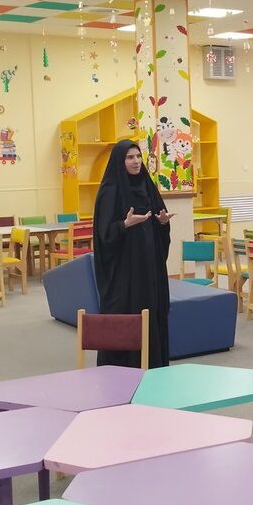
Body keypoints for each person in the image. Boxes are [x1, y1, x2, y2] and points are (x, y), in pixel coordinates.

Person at [92, 140, 173, 367]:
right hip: (124, 273)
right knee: (127, 312)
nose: (136, 161)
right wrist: (124, 225)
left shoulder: (148, 186)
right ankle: (122, 370)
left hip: (149, 269)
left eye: (138, 156)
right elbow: (103, 234)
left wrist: (163, 223)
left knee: (151, 310)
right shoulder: (110, 191)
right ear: (120, 161)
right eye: (130, 157)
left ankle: (153, 365)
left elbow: (158, 222)